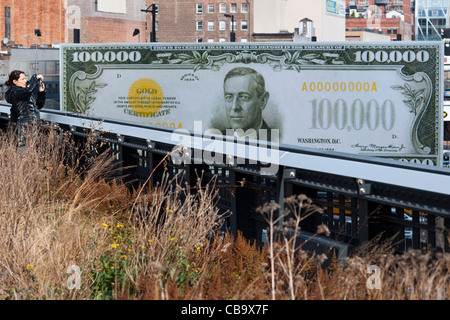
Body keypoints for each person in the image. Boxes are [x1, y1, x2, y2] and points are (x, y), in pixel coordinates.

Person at [222, 67, 275, 141]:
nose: (234, 106)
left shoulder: (277, 140)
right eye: (229, 97)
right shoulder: (217, 139)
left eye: (244, 97)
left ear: (263, 101)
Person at [4, 70, 46, 147]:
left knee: (32, 151)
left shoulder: (24, 93)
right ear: (15, 81)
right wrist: (35, 77)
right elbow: (28, 90)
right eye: (22, 79)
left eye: (25, 78)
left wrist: (41, 92)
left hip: (33, 127)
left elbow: (38, 106)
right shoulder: (14, 91)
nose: (25, 81)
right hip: (23, 128)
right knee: (23, 151)